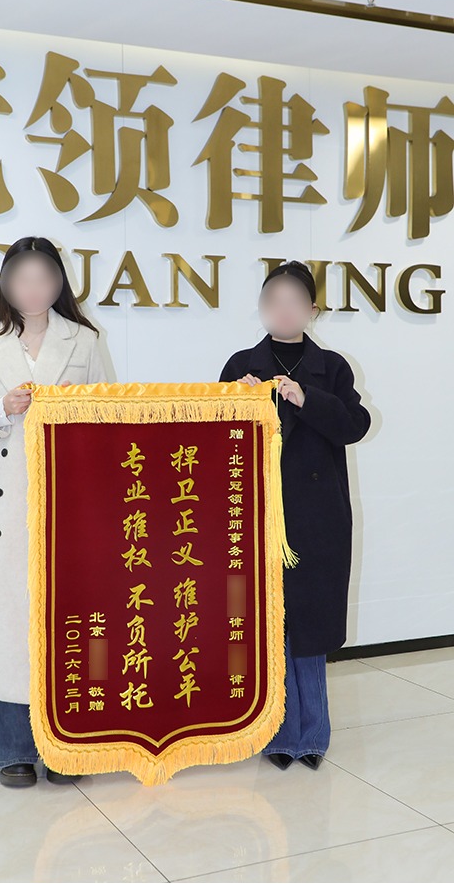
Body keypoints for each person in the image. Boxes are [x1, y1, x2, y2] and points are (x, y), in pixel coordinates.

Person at [0, 236, 106, 787]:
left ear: (60, 283)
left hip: (65, 496)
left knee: (63, 620)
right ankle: (9, 748)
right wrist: (0, 407)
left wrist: (80, 413)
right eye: (22, 278)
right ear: (6, 284)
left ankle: (64, 746)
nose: (33, 289)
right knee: (6, 622)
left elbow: (111, 413)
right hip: (0, 501)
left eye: (44, 278)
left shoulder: (84, 339)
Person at [219, 261, 370, 770]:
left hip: (318, 518)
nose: (283, 311)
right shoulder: (242, 364)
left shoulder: (333, 368)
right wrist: (237, 401)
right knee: (269, 625)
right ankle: (277, 736)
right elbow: (216, 439)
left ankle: (313, 737)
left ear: (312, 310)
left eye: (293, 302)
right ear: (261, 308)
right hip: (258, 516)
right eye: (273, 301)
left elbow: (354, 425)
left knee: (311, 627)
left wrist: (307, 398)